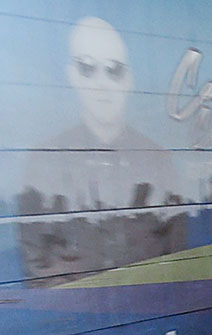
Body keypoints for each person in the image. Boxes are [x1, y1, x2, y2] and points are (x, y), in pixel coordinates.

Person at [21, 16, 177, 213]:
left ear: (129, 79)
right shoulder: (44, 162)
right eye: (87, 67)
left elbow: (175, 235)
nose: (101, 83)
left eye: (114, 69)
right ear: (72, 76)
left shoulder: (158, 162)